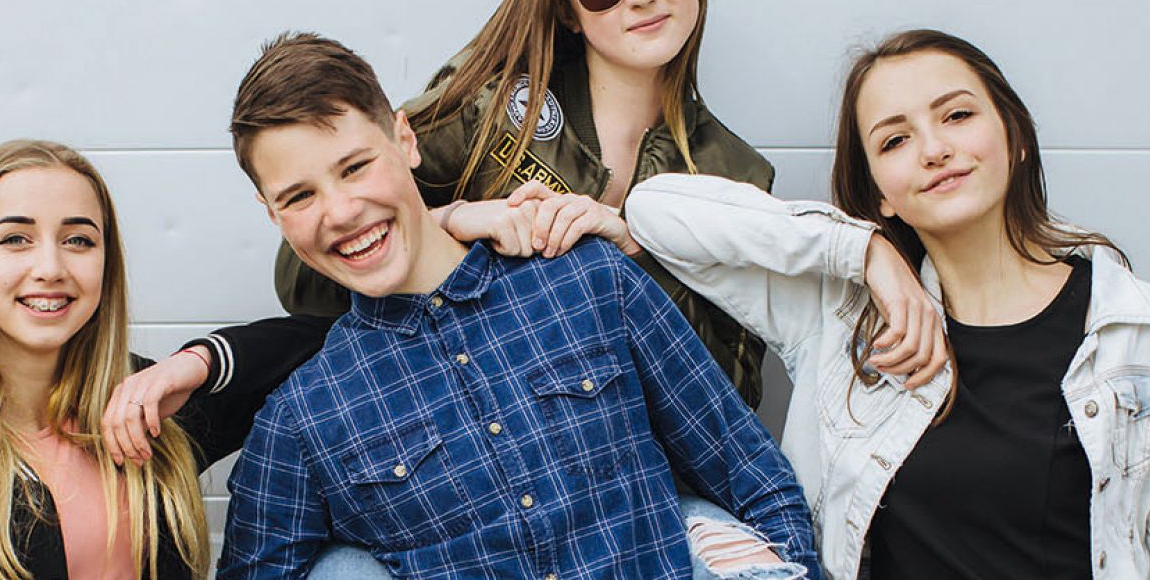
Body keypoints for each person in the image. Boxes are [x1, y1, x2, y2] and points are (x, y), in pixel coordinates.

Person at [627, 29, 1150, 579]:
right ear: (881, 195)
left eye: (956, 116)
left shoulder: (1137, 327)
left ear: (1014, 138)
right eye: (894, 141)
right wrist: (866, 253)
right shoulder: (839, 316)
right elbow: (656, 210)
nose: (933, 149)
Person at [220, 32, 818, 579]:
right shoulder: (304, 419)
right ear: (270, 212)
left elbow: (755, 480)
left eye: (355, 168)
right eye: (299, 196)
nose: (342, 211)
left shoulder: (588, 281)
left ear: (405, 141)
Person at [274, 0, 840, 409]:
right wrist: (456, 221)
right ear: (569, 8)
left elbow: (730, 397)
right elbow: (305, 282)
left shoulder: (735, 173)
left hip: (635, 473)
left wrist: (637, 251)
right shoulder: (489, 106)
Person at [0, 140, 332, 580]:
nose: (51, 268)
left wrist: (198, 361)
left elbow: (329, 341)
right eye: (15, 238)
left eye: (78, 240)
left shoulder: (145, 411)